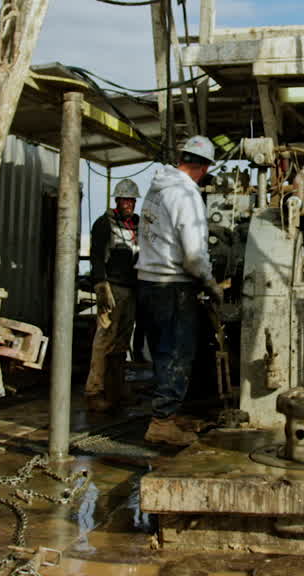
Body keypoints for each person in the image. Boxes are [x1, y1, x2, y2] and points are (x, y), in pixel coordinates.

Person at [137, 135, 224, 446]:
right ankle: (161, 422)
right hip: (172, 286)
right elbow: (193, 255)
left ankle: (168, 415)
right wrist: (210, 282)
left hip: (147, 282)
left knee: (162, 353)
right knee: (178, 353)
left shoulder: (156, 188)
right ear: (203, 167)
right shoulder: (186, 195)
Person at [84, 178, 141, 412]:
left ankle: (116, 389)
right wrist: (100, 285)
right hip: (112, 288)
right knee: (104, 338)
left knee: (121, 341)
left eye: (132, 200)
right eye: (125, 200)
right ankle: (93, 391)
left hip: (131, 287)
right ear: (117, 200)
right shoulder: (104, 224)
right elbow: (96, 256)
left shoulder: (137, 224)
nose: (129, 204)